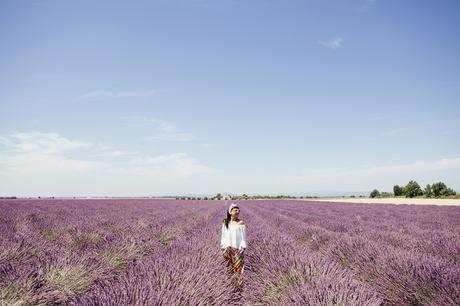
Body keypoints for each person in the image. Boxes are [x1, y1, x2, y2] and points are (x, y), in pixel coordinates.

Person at [220, 202, 247, 290]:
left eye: (238, 209)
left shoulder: (241, 223)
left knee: (239, 267)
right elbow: (223, 236)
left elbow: (243, 236)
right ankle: (230, 285)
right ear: (230, 212)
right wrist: (223, 247)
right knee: (229, 267)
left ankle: (238, 286)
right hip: (228, 248)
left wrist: (243, 247)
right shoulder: (225, 222)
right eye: (235, 210)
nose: (237, 211)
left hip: (238, 248)